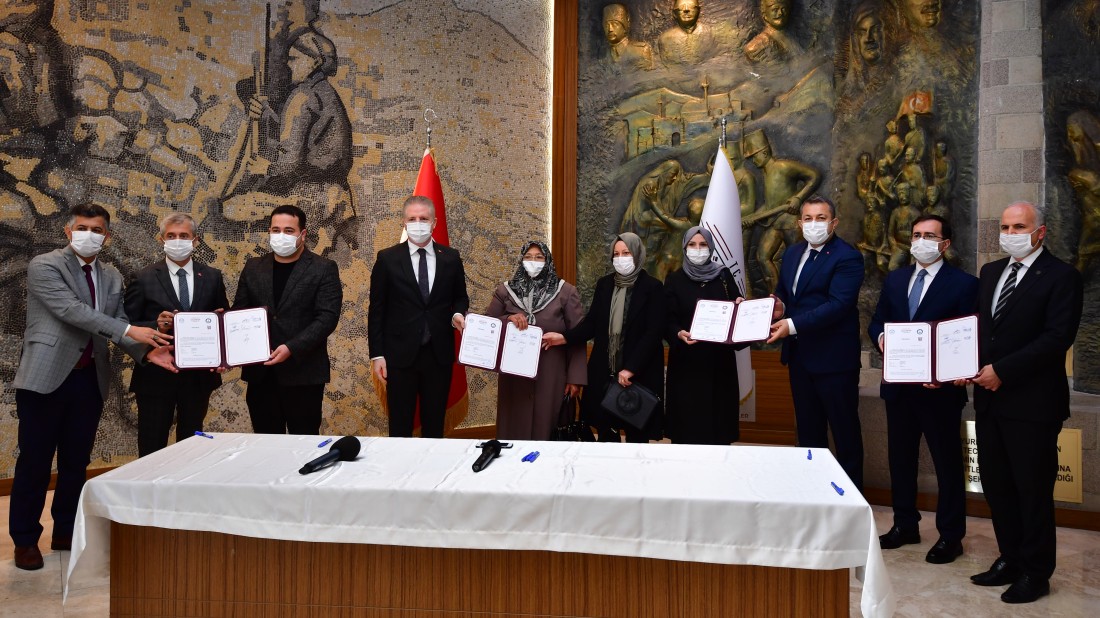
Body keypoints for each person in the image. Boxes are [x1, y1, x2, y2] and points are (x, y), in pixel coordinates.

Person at [9, 203, 176, 571]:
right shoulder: (46, 265)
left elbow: (115, 321)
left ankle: (66, 531)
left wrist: (146, 354)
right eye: (82, 227)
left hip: (88, 379)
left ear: (107, 236)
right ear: (68, 232)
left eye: (97, 229)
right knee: (35, 463)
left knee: (76, 463)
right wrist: (131, 331)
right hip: (45, 378)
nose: (89, 234)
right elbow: (72, 311)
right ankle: (25, 539)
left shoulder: (111, 276)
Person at [964, 202, 1082, 604]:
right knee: (997, 487)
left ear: (1040, 232)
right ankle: (1009, 558)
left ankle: (1036, 572)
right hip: (989, 402)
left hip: (1032, 404)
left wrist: (1003, 370)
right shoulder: (991, 272)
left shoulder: (1062, 277)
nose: (1010, 232)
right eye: (1005, 226)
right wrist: (964, 365)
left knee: (1032, 491)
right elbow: (982, 330)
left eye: (1019, 226)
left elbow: (1055, 338)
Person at [868, 214, 977, 564]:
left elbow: (966, 338)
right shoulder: (897, 279)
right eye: (916, 235)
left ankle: (950, 535)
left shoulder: (963, 284)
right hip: (899, 388)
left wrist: (948, 372)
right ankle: (905, 525)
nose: (921, 241)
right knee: (901, 459)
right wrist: (884, 338)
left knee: (946, 464)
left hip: (939, 391)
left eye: (930, 236)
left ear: (945, 244)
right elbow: (877, 321)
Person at [766, 196, 865, 489]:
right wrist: (778, 307)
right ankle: (814, 494)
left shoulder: (847, 257)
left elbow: (838, 305)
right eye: (808, 218)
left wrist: (791, 325)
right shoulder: (794, 253)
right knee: (809, 435)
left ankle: (851, 503)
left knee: (844, 434)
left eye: (820, 218)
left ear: (833, 222)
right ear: (799, 223)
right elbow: (787, 295)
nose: (814, 224)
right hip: (800, 359)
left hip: (834, 361)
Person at [124, 213, 230, 456]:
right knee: (152, 445)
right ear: (161, 239)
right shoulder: (143, 277)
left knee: (193, 445)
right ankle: (151, 493)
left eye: (184, 236)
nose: (178, 241)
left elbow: (222, 317)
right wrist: (156, 325)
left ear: (195, 241)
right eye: (171, 236)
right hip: (156, 376)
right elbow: (127, 325)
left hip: (199, 376)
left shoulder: (212, 276)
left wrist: (224, 353)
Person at [542, 233, 665, 443]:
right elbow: (592, 324)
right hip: (605, 372)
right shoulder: (605, 285)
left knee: (637, 437)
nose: (620, 258)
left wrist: (631, 368)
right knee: (606, 434)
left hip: (638, 373)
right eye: (616, 254)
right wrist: (563, 337)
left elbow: (653, 333)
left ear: (637, 254)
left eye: (626, 253)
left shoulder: (652, 287)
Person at [232, 204, 342, 435]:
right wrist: (227, 345)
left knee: (303, 445)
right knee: (265, 445)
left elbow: (327, 318)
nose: (281, 235)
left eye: (288, 230)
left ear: (302, 234)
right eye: (275, 229)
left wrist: (291, 348)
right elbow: (240, 312)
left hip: (303, 374)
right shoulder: (253, 267)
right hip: (260, 374)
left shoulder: (324, 268)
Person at [369, 195, 470, 438]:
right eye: (412, 219)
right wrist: (377, 355)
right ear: (403, 223)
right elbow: (377, 309)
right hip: (399, 355)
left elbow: (460, 297)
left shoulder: (451, 257)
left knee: (434, 423)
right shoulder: (387, 258)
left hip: (439, 354)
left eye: (423, 218)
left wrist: (457, 313)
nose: (418, 223)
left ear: (434, 222)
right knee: (400, 423)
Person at [484, 241, 586, 440]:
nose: (533, 261)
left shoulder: (565, 292)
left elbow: (579, 335)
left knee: (548, 428)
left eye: (539, 257)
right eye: (528, 257)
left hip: (553, 372)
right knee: (514, 428)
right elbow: (489, 326)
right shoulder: (505, 291)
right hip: (514, 375)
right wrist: (508, 319)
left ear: (547, 261)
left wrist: (576, 378)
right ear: (521, 260)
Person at [663, 227, 745, 444]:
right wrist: (678, 333)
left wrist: (740, 308)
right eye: (692, 245)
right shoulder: (674, 280)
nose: (697, 250)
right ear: (684, 247)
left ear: (711, 247)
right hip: (687, 364)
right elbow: (667, 320)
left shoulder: (724, 276)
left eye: (703, 245)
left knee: (719, 429)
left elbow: (737, 310)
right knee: (687, 429)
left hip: (720, 364)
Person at [601, 4, 654, 71]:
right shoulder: (601, 56)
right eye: (606, 25)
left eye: (615, 24)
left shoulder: (640, 51)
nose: (610, 29)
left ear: (624, 26)